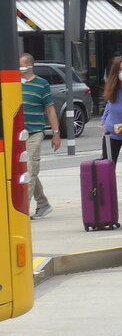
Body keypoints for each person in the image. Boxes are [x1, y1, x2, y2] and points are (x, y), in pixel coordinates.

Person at [19, 54, 59, 219]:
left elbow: (50, 109)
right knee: (27, 171)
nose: (18, 67)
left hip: (35, 133)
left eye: (20, 64)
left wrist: (56, 133)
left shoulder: (42, 84)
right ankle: (43, 204)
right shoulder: (15, 84)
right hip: (18, 135)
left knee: (29, 169)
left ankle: (22, 210)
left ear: (29, 66)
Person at [101, 55, 122, 160]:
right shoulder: (112, 88)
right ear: (116, 72)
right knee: (107, 167)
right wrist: (103, 122)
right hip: (110, 134)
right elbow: (108, 105)